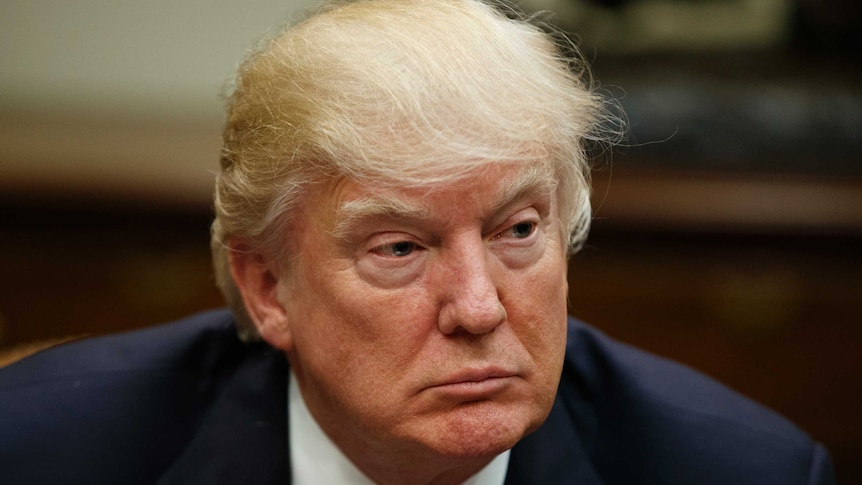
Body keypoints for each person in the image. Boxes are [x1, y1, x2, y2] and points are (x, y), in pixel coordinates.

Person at [0, 0, 835, 484]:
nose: (479, 306)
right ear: (266, 287)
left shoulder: (744, 471)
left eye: (516, 230)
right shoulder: (43, 449)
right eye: (399, 248)